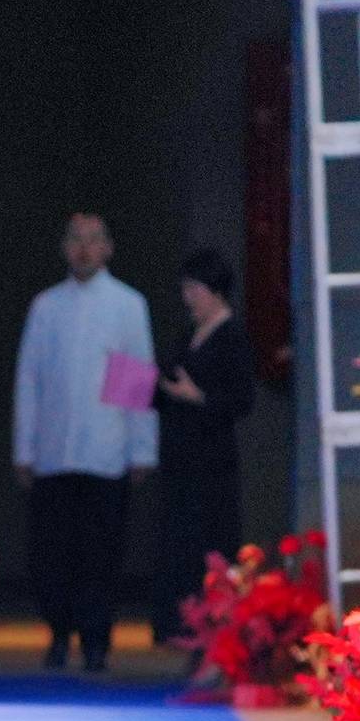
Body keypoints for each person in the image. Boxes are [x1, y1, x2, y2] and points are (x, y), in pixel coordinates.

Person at [13, 212, 155, 672]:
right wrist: (24, 449)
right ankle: (58, 634)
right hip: (54, 453)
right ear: (64, 247)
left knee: (101, 553)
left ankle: (96, 641)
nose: (85, 248)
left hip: (106, 450)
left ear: (108, 247)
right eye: (77, 239)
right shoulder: (46, 306)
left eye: (94, 240)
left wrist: (141, 449)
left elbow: (136, 379)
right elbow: (29, 381)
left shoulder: (127, 304)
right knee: (52, 553)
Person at [150, 248, 258, 644]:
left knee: (210, 540)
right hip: (180, 456)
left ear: (215, 291)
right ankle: (177, 622)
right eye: (186, 289)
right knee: (177, 539)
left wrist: (198, 397)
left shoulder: (232, 337)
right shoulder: (187, 335)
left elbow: (242, 400)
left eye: (195, 289)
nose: (188, 297)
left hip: (212, 461)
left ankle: (212, 626)